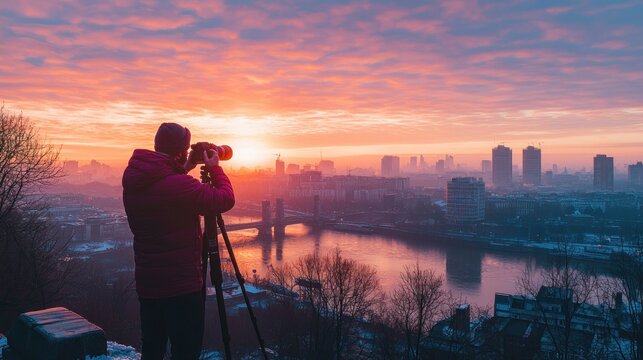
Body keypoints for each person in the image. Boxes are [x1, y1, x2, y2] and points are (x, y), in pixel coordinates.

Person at [122, 122, 235, 359]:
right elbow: (224, 199)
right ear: (181, 151)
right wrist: (215, 169)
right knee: (185, 351)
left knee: (152, 349)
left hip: (149, 284)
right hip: (181, 287)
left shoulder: (135, 180)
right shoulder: (180, 186)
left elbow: (164, 186)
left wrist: (185, 166)